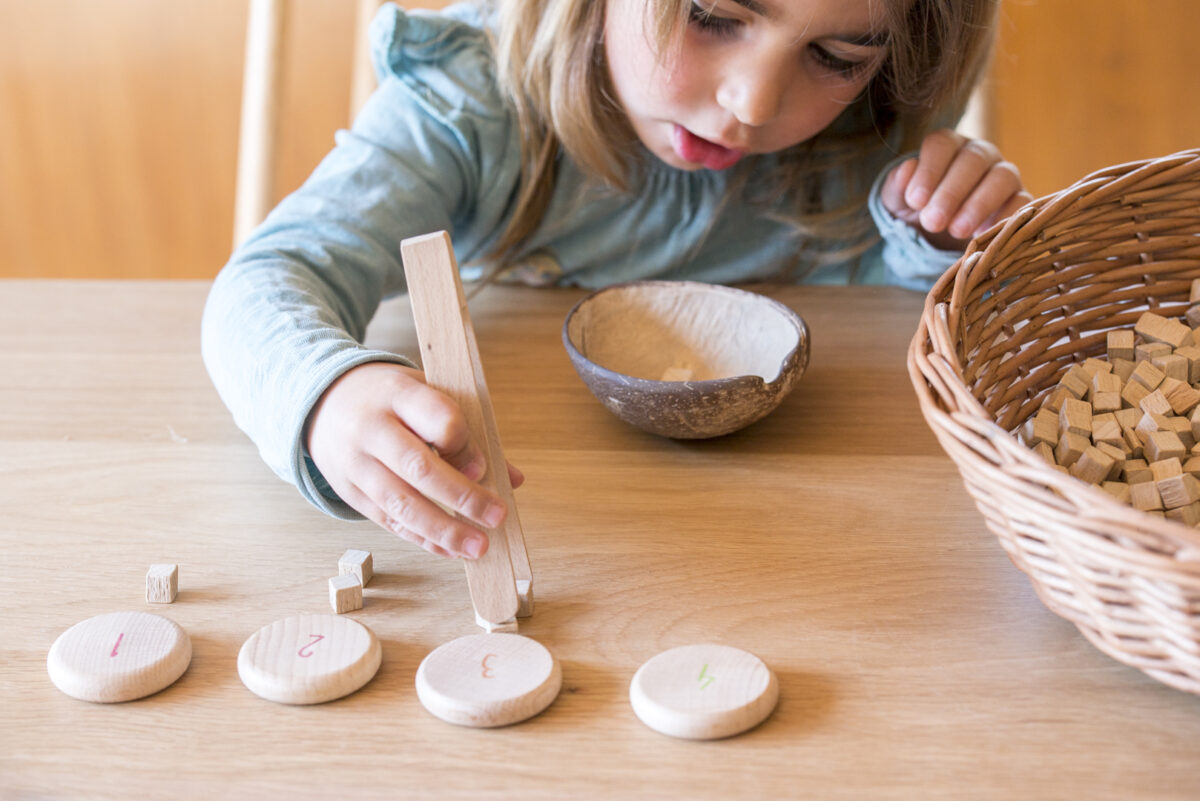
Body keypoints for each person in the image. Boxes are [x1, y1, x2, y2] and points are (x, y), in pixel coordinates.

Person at [202, 0, 1031, 561]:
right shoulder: (468, 105)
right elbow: (271, 279)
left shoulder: (863, 137)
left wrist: (933, 237)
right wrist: (324, 397)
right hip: (570, 531)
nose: (750, 101)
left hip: (797, 541)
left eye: (836, 55)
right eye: (713, 15)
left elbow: (890, 315)